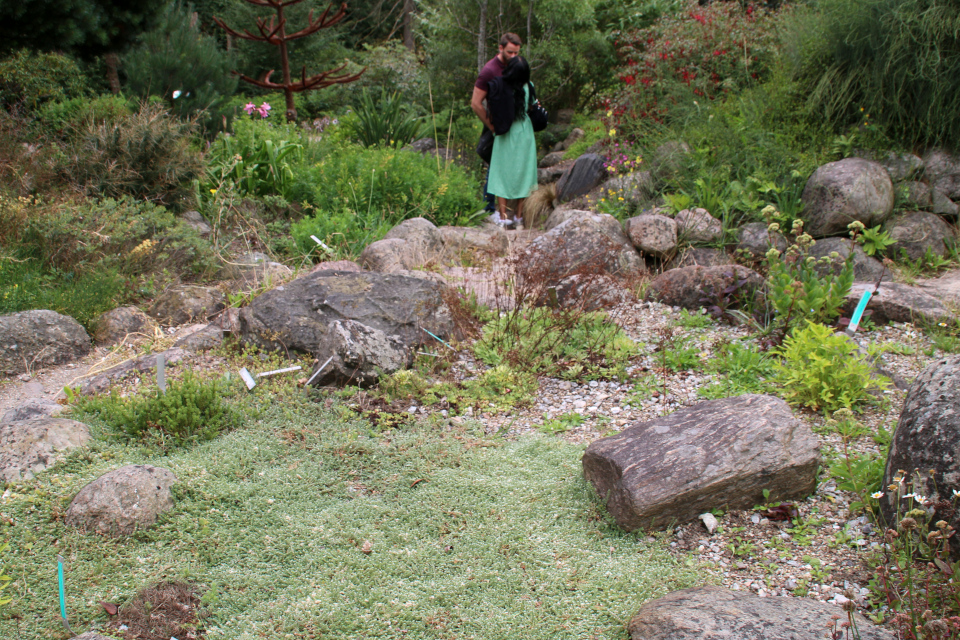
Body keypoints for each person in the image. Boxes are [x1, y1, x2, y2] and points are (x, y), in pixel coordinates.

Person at [471, 33, 521, 215]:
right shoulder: (490, 70)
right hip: (497, 124)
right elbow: (475, 103)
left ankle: (509, 210)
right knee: (496, 165)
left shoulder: (517, 66)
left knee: (510, 165)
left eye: (517, 53)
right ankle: (490, 209)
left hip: (516, 125)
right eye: (510, 52)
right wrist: (491, 127)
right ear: (500, 48)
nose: (514, 57)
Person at [486, 56, 537, 228]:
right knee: (523, 173)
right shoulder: (529, 87)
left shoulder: (500, 85)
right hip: (524, 132)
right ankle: (519, 217)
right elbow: (532, 107)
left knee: (502, 172)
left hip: (505, 132)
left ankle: (503, 216)